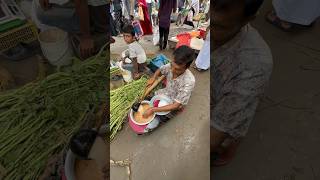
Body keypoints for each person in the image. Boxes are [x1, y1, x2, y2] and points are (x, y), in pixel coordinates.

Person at [211, 0, 273, 166]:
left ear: (247, 19)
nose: (209, 31)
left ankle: (228, 150)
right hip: (214, 96)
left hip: (228, 112)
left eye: (218, 27)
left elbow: (219, 128)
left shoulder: (254, 66)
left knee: (226, 139)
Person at [141, 46, 196, 132]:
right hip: (165, 93)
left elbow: (176, 105)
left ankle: (160, 119)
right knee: (145, 102)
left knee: (154, 121)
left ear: (186, 67)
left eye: (177, 69)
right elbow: (160, 69)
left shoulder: (189, 81)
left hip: (174, 104)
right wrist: (153, 77)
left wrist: (153, 109)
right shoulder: (171, 66)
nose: (172, 70)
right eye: (172, 65)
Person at [35, 0, 107, 59]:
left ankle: (102, 34)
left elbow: (81, 2)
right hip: (89, 4)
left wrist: (86, 37)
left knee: (82, 51)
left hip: (101, 7)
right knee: (41, 12)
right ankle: (90, 28)